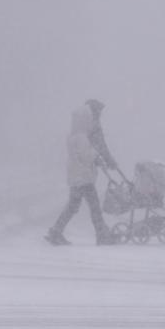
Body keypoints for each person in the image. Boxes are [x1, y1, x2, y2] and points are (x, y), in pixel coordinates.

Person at [45, 103, 114, 245]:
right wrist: (97, 155)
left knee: (72, 207)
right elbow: (86, 156)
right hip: (84, 178)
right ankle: (102, 235)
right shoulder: (82, 137)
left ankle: (56, 232)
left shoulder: (72, 136)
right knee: (94, 207)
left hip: (76, 177)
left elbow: (78, 156)